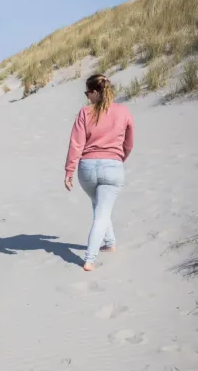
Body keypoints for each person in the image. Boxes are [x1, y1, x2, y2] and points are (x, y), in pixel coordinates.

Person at [64, 74, 135, 272]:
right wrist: (119, 159)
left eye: (88, 93)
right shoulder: (123, 111)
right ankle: (90, 259)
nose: (87, 97)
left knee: (100, 207)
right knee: (102, 210)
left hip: (87, 167)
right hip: (112, 166)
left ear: (95, 92)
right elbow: (129, 143)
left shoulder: (85, 113)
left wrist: (69, 170)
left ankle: (109, 243)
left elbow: (76, 143)